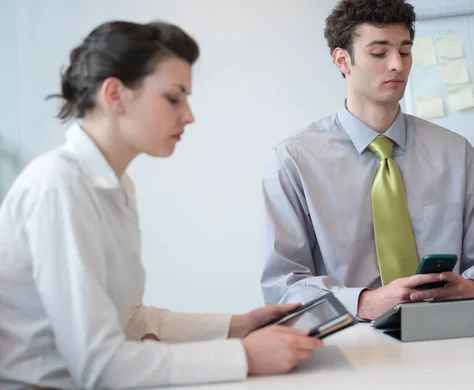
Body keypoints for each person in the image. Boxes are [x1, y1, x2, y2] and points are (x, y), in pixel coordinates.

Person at [0, 20, 322, 389]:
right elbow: (101, 365)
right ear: (115, 95)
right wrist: (245, 357)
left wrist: (238, 326)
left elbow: (129, 320)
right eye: (174, 98)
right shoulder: (59, 186)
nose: (189, 115)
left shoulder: (114, 184)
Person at [260, 0, 474, 321]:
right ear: (342, 60)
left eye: (405, 51)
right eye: (379, 53)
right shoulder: (294, 161)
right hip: (349, 344)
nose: (397, 65)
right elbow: (283, 285)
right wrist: (365, 302)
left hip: (450, 335)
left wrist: (472, 287)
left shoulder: (455, 153)